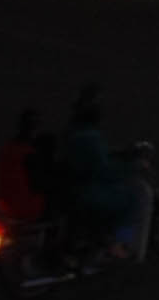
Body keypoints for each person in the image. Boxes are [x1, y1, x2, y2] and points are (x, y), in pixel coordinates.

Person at [56, 86, 150, 262]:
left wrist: (119, 154)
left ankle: (101, 240)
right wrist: (131, 167)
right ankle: (118, 244)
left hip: (72, 186)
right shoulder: (89, 137)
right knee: (131, 199)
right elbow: (103, 170)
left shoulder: (73, 132)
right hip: (85, 190)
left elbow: (97, 159)